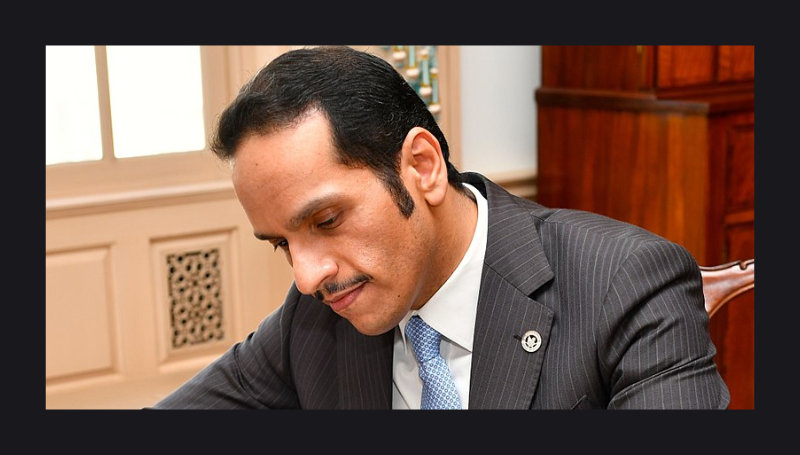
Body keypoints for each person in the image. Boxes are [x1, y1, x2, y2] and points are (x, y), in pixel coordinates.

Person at [152, 46, 730, 409]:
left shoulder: (623, 281)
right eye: (282, 243)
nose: (307, 276)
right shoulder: (312, 322)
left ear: (422, 168)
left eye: (326, 220)